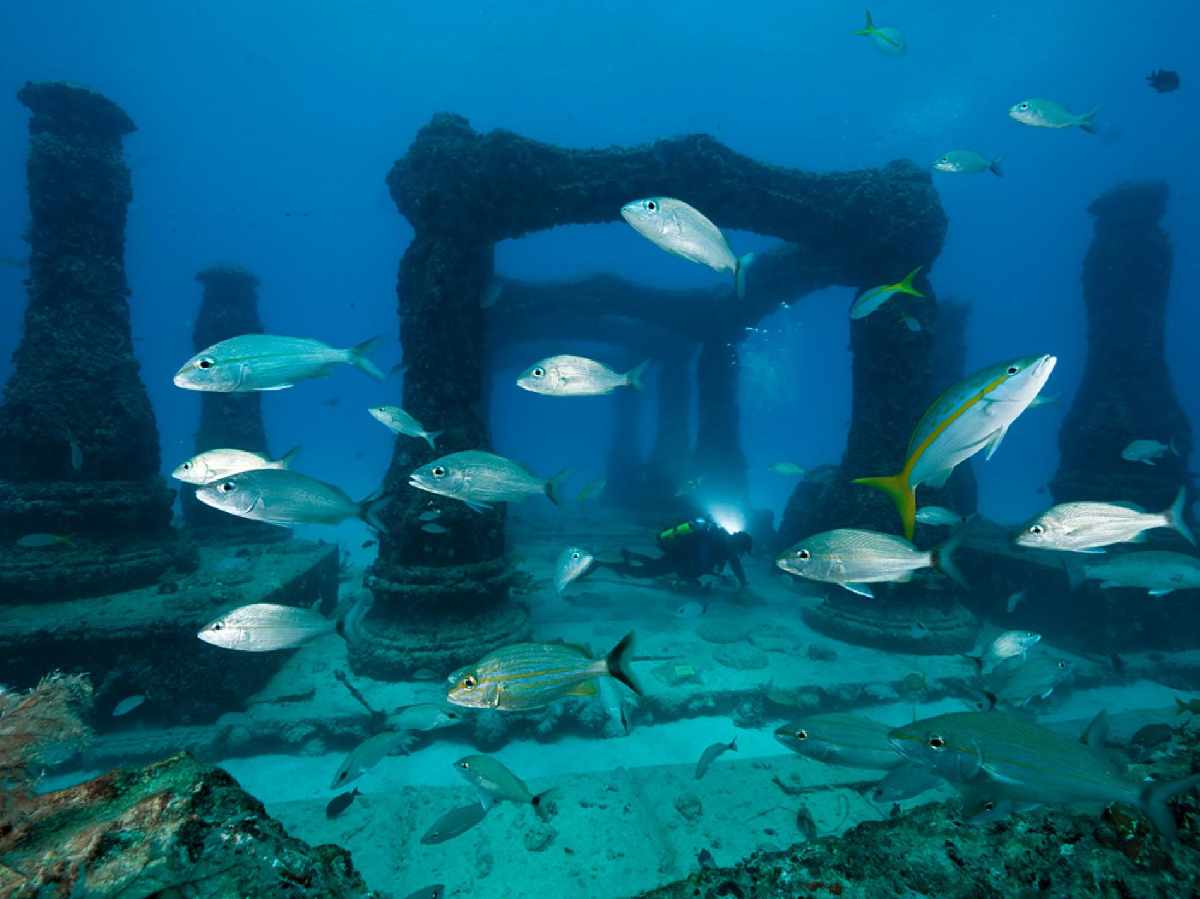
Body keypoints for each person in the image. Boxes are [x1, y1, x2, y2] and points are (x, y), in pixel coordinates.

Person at [603, 517, 752, 590]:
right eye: (741, 551)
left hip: (680, 557)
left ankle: (632, 556)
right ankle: (603, 564)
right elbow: (700, 564)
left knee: (655, 565)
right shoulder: (717, 543)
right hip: (679, 559)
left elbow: (735, 563)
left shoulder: (726, 545)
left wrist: (743, 582)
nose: (739, 554)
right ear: (738, 545)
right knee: (642, 573)